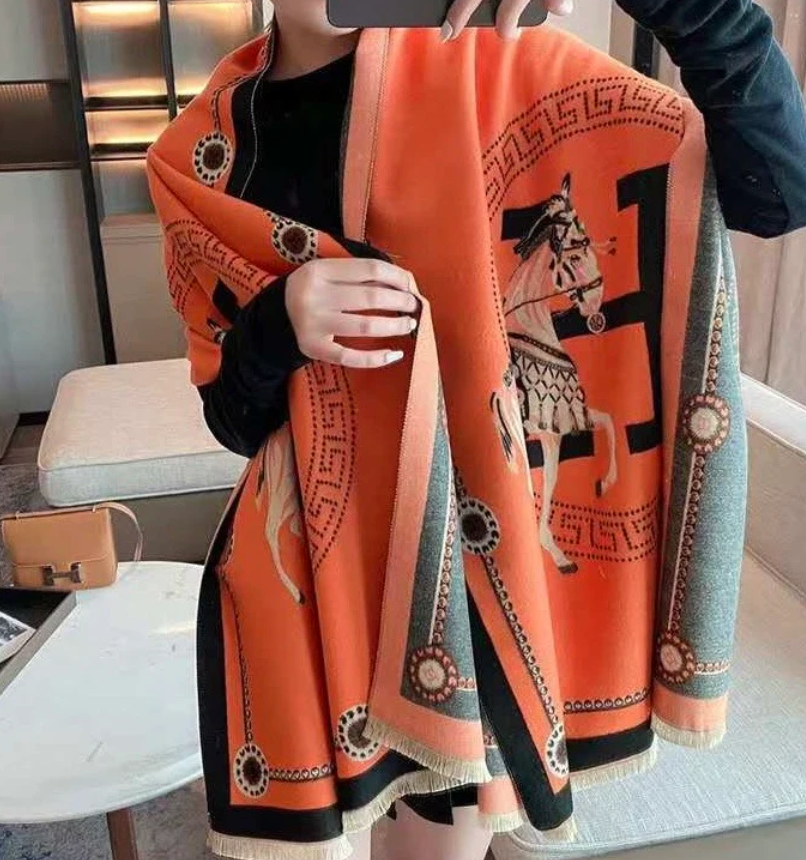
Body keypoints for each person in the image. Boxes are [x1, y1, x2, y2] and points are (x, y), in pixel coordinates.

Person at [149, 2, 806, 859]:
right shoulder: (209, 151)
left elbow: (780, 188)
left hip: (473, 576)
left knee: (436, 834)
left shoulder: (504, 64)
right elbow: (234, 421)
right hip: (315, 573)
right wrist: (280, 324)